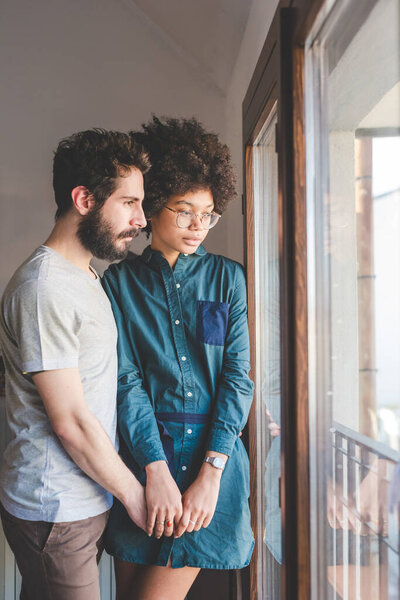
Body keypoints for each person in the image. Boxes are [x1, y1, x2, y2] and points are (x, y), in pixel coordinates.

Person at [102, 116, 254, 600]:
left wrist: (211, 475)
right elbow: (125, 381)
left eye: (208, 214)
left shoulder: (229, 280)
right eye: (184, 210)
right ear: (152, 207)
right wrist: (155, 469)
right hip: (145, 464)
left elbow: (238, 378)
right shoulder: (118, 283)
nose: (197, 226)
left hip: (214, 460)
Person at [0, 128, 150, 600]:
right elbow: (69, 422)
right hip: (56, 509)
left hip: (82, 500)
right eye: (129, 203)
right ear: (84, 198)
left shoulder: (85, 274)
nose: (141, 219)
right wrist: (135, 495)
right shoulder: (45, 288)